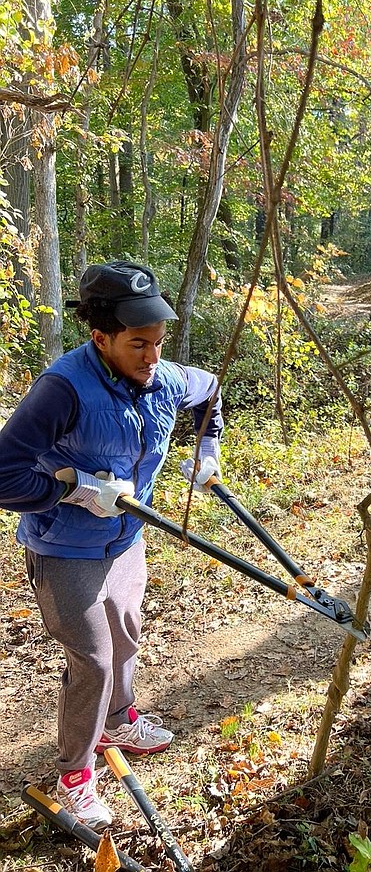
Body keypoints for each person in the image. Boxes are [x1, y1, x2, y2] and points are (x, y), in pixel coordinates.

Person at [0, 261, 223, 830]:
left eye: (158, 342)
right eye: (138, 344)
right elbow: (5, 474)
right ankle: (74, 774)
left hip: (127, 539)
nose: (152, 356)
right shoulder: (62, 389)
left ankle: (119, 720)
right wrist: (70, 488)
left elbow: (209, 391)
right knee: (94, 660)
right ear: (100, 338)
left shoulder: (165, 377)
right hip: (64, 551)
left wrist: (208, 451)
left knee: (126, 634)